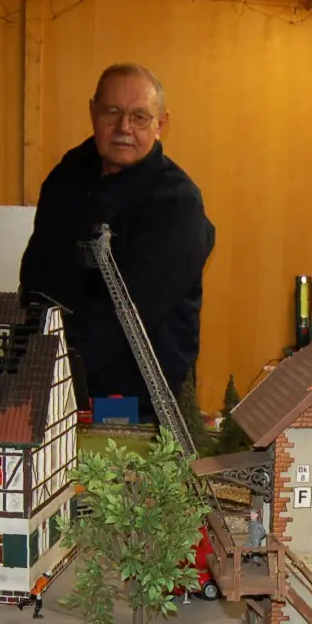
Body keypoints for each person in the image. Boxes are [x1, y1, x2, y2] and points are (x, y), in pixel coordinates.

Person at [18, 64, 215, 412]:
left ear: (161, 124)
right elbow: (36, 270)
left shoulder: (177, 204)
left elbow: (130, 315)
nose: (124, 128)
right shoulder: (68, 176)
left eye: (140, 116)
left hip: (139, 401)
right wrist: (26, 353)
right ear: (93, 111)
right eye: (113, 112)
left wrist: (51, 369)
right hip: (56, 383)